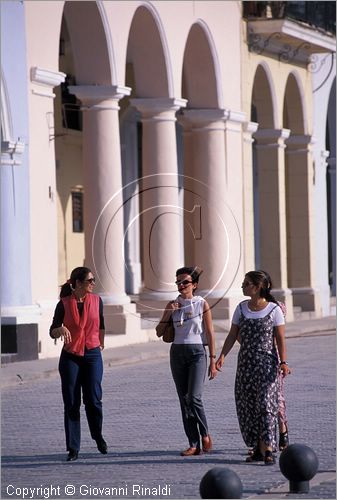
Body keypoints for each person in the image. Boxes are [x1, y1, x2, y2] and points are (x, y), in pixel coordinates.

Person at [216, 270, 291, 465]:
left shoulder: (274, 310)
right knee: (247, 406)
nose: (242, 286)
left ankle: (268, 449)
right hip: (245, 365)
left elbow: (280, 338)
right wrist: (222, 356)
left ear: (257, 287)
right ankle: (256, 448)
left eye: (246, 283)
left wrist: (283, 362)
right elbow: (232, 335)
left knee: (266, 404)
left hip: (267, 364)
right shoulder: (241, 308)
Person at [157, 266, 217, 457]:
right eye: (178, 282)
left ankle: (205, 433)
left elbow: (209, 332)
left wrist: (213, 360)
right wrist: (168, 314)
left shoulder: (202, 304)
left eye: (185, 282)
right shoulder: (171, 304)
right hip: (177, 352)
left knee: (194, 397)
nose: (181, 285)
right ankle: (193, 443)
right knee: (184, 400)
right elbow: (159, 332)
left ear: (195, 285)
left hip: (197, 352)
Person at [50, 266, 107, 462]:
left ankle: (97, 435)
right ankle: (73, 448)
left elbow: (100, 323)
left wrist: (101, 343)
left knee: (93, 399)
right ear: (78, 283)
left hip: (92, 354)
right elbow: (52, 330)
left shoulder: (97, 300)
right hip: (70, 356)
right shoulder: (64, 304)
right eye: (90, 281)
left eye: (93, 280)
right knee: (72, 403)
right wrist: (60, 329)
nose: (93, 283)